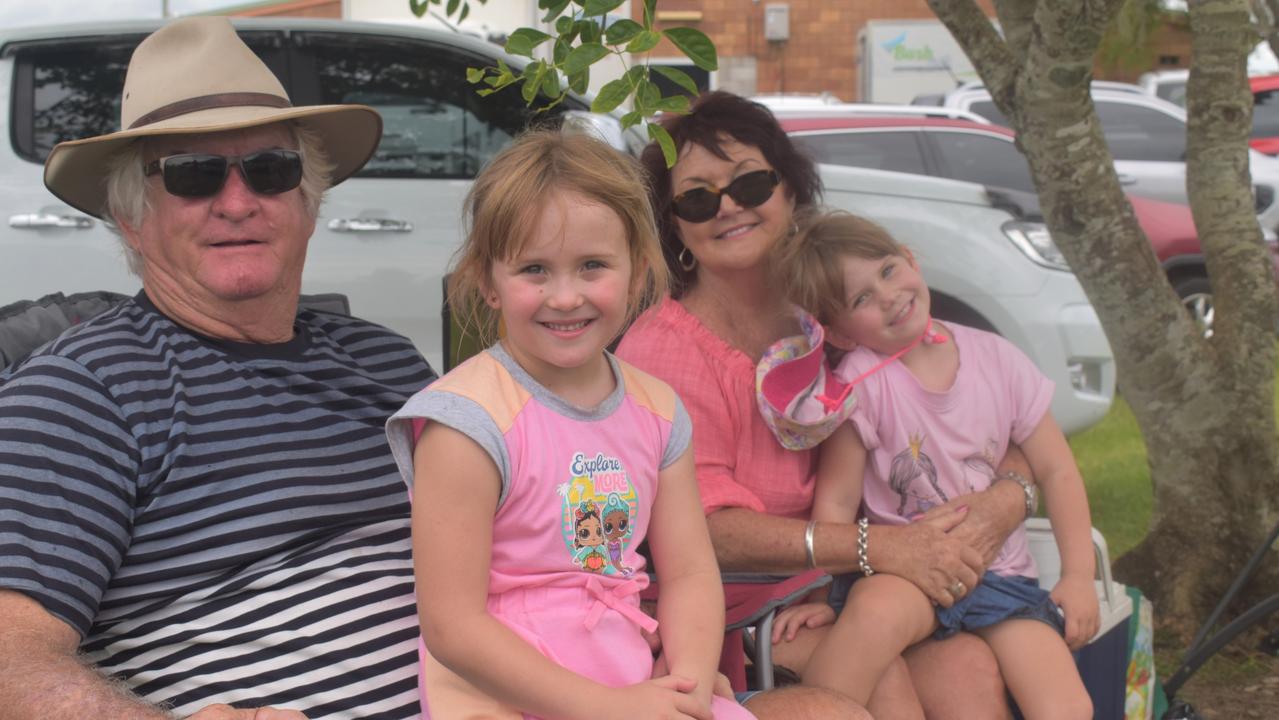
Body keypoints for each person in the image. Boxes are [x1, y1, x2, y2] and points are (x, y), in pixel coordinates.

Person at [0, 17, 435, 719]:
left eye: (270, 168)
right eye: (193, 175)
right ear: (131, 217)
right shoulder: (79, 392)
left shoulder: (389, 362)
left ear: (307, 199)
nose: (238, 202)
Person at [616, 90, 1033, 719]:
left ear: (789, 190)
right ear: (674, 226)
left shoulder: (841, 312)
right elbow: (708, 532)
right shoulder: (665, 349)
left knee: (968, 670)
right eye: (698, 197)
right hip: (734, 607)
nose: (728, 207)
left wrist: (1005, 501)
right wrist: (875, 548)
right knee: (885, 682)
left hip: (861, 581)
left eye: (751, 183)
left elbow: (997, 426)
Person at [384, 130, 756, 720]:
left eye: (591, 266)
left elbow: (688, 572)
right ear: (488, 281)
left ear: (636, 272)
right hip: (503, 690)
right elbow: (452, 627)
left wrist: (684, 687)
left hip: (626, 673)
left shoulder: (657, 410)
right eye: (534, 269)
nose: (565, 297)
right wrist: (606, 708)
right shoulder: (468, 422)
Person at [761, 209, 1099, 718]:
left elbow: (1058, 470)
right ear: (841, 333)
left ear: (911, 260)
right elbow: (837, 500)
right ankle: (819, 710)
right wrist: (824, 596)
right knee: (872, 616)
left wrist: (1079, 576)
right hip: (906, 572)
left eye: (888, 270)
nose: (888, 296)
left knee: (1067, 706)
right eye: (861, 299)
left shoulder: (997, 359)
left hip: (1000, 577)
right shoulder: (859, 386)